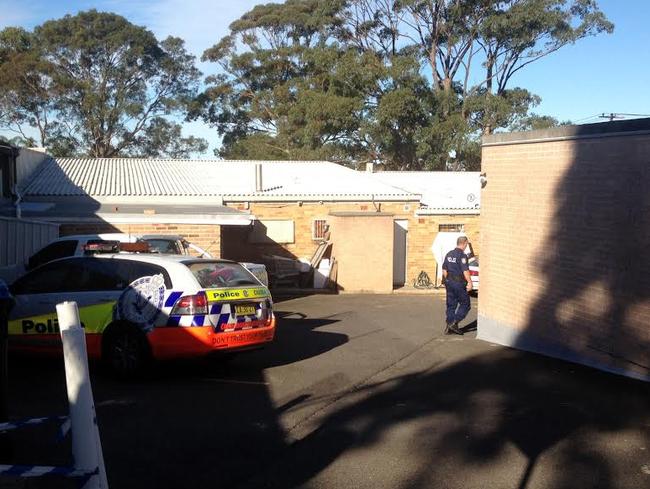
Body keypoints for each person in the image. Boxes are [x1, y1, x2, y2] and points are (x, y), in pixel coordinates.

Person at [442, 236, 472, 335]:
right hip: (458, 283)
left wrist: (448, 281)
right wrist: (470, 282)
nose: (466, 246)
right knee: (465, 304)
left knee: (451, 305)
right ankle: (454, 323)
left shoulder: (449, 254)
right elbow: (465, 270)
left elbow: (444, 270)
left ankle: (449, 326)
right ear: (464, 243)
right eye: (466, 244)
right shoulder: (462, 256)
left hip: (449, 282)